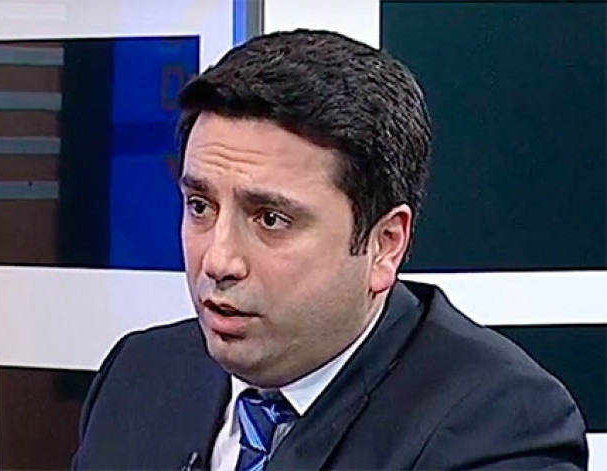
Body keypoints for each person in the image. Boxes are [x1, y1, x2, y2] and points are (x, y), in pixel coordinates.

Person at [72, 29, 587, 470]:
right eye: (201, 206)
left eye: (271, 219)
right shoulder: (140, 374)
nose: (218, 260)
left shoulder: (499, 426)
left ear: (384, 245)